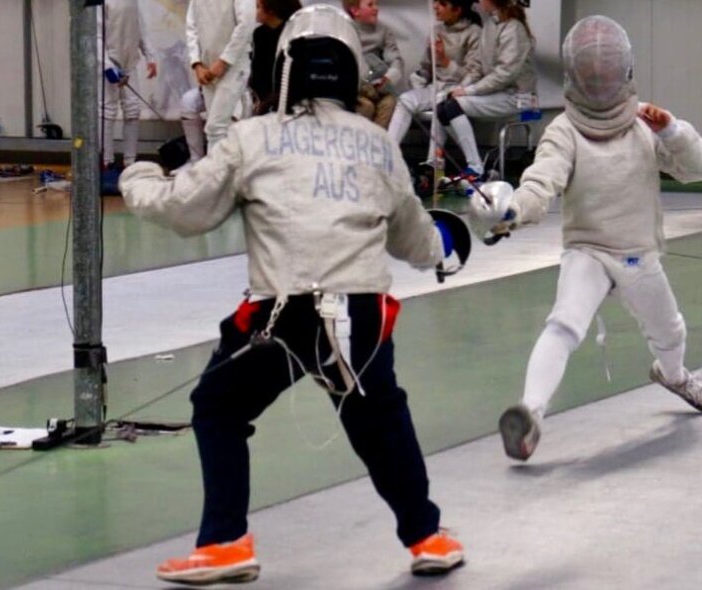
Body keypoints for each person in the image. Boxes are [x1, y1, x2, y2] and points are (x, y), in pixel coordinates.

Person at [119, 5, 468, 585]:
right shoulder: (378, 145)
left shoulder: (254, 138)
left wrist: (138, 176)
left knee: (219, 406)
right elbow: (415, 241)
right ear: (350, 67)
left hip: (281, 314)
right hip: (360, 314)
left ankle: (227, 542)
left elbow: (185, 210)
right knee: (379, 421)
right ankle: (428, 537)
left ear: (282, 65)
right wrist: (447, 246)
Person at [470, 16, 702, 463]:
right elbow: (539, 184)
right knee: (563, 324)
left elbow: (701, 167)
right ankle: (530, 416)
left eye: (607, 72)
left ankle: (675, 375)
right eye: (594, 74)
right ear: (577, 76)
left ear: (623, 73)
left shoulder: (646, 123)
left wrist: (673, 132)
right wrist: (509, 210)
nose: (602, 81)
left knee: (669, 329)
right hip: (587, 251)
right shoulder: (564, 132)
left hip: (638, 254)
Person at [432, 0, 536, 179]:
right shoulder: (490, 25)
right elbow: (479, 67)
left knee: (452, 106)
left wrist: (470, 91)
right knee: (443, 105)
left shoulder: (514, 28)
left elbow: (505, 74)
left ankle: (476, 168)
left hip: (518, 97)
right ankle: (465, 165)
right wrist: (461, 87)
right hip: (498, 92)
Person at [387, 0, 482, 166]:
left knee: (441, 103)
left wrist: (445, 61)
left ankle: (433, 163)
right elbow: (427, 67)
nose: (435, 7)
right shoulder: (436, 31)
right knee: (405, 100)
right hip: (435, 87)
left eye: (442, 3)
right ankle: (388, 155)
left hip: (458, 90)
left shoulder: (474, 32)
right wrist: (419, 77)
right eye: (435, 2)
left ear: (457, 9)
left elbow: (473, 75)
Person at [185, 0, 256, 147]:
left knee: (217, 127)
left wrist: (224, 61)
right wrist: (197, 63)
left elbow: (246, 24)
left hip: (235, 64)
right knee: (215, 126)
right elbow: (191, 26)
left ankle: (216, 170)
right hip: (207, 68)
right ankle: (223, 168)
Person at [97, 0, 158, 169]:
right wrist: (106, 66)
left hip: (129, 63)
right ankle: (105, 162)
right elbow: (96, 35)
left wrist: (150, 56)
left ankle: (130, 162)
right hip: (108, 63)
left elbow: (139, 26)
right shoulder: (99, 2)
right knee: (107, 112)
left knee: (132, 111)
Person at [343, 0, 403, 129]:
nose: (376, 8)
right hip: (354, 89)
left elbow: (395, 60)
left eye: (377, 4)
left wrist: (389, 78)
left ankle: (378, 145)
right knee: (366, 107)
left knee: (390, 102)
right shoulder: (345, 31)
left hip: (377, 87)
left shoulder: (384, 31)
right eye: (370, 5)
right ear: (355, 11)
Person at [249, 0, 302, 116]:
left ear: (271, 11)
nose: (254, 11)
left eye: (258, 7)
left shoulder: (294, 36)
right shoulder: (259, 34)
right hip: (264, 101)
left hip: (288, 103)